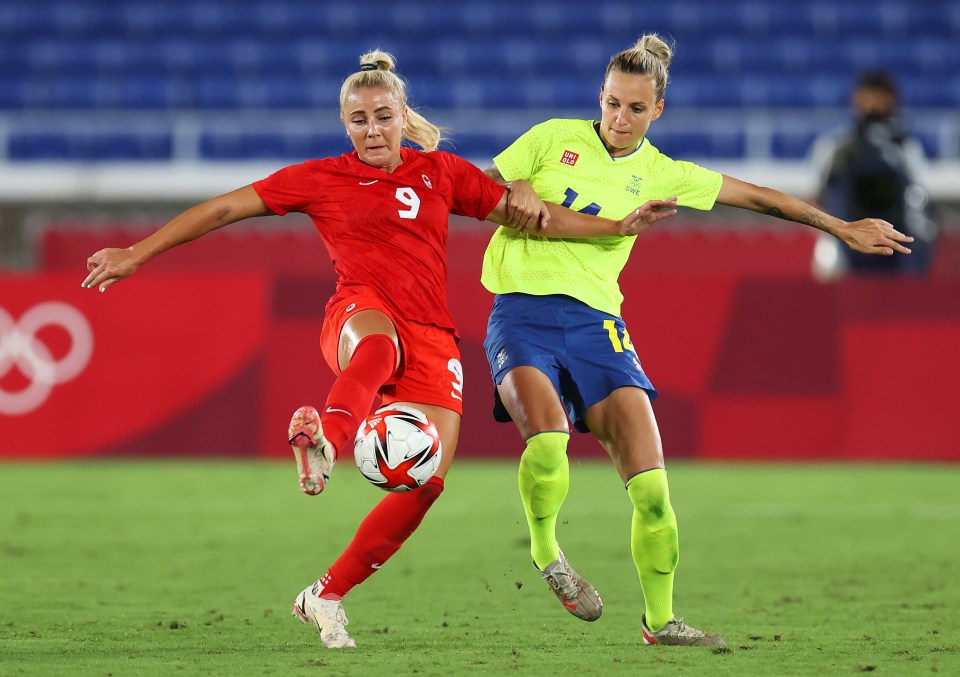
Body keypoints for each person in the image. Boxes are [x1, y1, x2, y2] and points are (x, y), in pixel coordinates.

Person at [81, 50, 678, 649]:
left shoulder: (440, 172)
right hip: (359, 312)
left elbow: (535, 218)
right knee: (377, 346)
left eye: (383, 117)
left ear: (401, 116)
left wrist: (617, 226)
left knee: (425, 485)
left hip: (433, 336)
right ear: (346, 125)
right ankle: (325, 448)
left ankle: (326, 594)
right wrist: (137, 253)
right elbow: (226, 208)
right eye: (359, 120)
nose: (372, 130)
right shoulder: (322, 178)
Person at [480, 34, 914, 647]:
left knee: (654, 491)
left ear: (657, 110)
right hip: (522, 314)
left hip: (599, 326)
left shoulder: (663, 175)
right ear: (598, 98)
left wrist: (838, 226)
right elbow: (481, 187)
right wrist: (514, 187)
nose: (619, 119)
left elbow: (758, 197)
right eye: (610, 104)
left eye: (635, 108)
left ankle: (661, 622)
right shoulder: (552, 137)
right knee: (548, 442)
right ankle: (549, 554)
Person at [811, 70, 937, 277]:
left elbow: (919, 200)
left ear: (893, 101)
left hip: (895, 249)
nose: (873, 105)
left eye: (879, 98)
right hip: (845, 247)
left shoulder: (906, 149)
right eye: (867, 97)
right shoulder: (836, 147)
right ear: (856, 99)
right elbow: (816, 198)